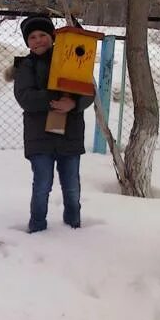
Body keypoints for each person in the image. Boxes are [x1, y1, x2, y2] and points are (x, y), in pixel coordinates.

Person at [13, 15, 94, 233]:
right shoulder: (25, 66)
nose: (38, 40)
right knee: (42, 185)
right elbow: (25, 97)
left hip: (69, 135)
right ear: (27, 42)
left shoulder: (71, 60)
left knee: (72, 187)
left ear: (52, 37)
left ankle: (73, 224)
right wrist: (55, 97)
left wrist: (73, 103)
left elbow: (89, 91)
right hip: (39, 137)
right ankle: (37, 226)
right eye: (32, 37)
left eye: (43, 35)